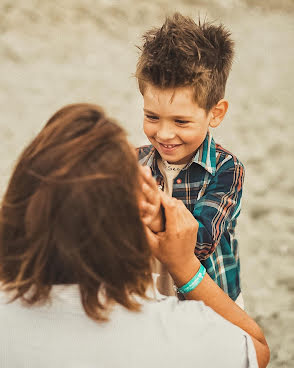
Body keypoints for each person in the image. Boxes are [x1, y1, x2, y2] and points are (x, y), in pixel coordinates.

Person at [0, 103, 269, 367]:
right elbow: (256, 349)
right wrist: (185, 267)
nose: (148, 172)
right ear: (126, 224)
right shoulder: (177, 330)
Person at [136, 13, 245, 306]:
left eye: (181, 122)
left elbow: (201, 241)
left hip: (208, 301)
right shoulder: (136, 163)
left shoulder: (225, 169)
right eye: (152, 117)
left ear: (215, 113)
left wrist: (148, 212)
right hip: (150, 299)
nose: (164, 133)